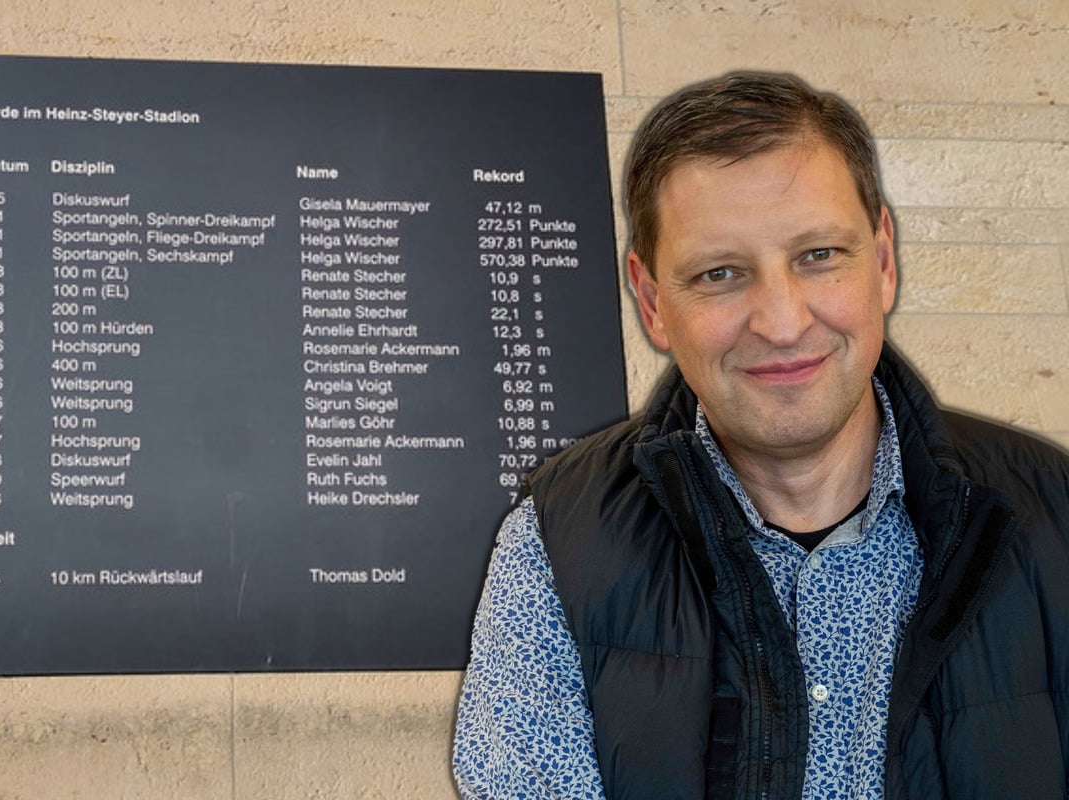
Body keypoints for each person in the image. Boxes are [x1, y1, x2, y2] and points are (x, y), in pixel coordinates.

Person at [452, 72, 1069, 800]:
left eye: (818, 256)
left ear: (883, 259)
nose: (781, 322)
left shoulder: (1057, 515)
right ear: (652, 302)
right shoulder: (553, 547)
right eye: (720, 273)